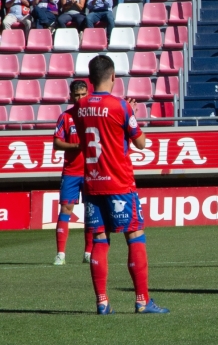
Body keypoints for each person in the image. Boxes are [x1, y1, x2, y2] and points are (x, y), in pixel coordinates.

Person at [72, 55, 169, 315]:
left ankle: (102, 302)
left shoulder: (78, 108)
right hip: (119, 183)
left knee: (99, 240)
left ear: (90, 79)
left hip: (92, 183)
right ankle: (142, 300)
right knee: (135, 235)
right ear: (113, 76)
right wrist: (132, 114)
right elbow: (141, 142)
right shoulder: (120, 107)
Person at [52, 80, 92, 266]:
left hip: (92, 171)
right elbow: (57, 143)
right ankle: (61, 254)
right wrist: (76, 146)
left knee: (91, 212)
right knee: (66, 210)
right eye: (76, 95)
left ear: (88, 94)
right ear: (71, 96)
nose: (80, 98)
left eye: (83, 94)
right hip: (71, 171)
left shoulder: (94, 115)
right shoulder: (66, 117)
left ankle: (88, 253)